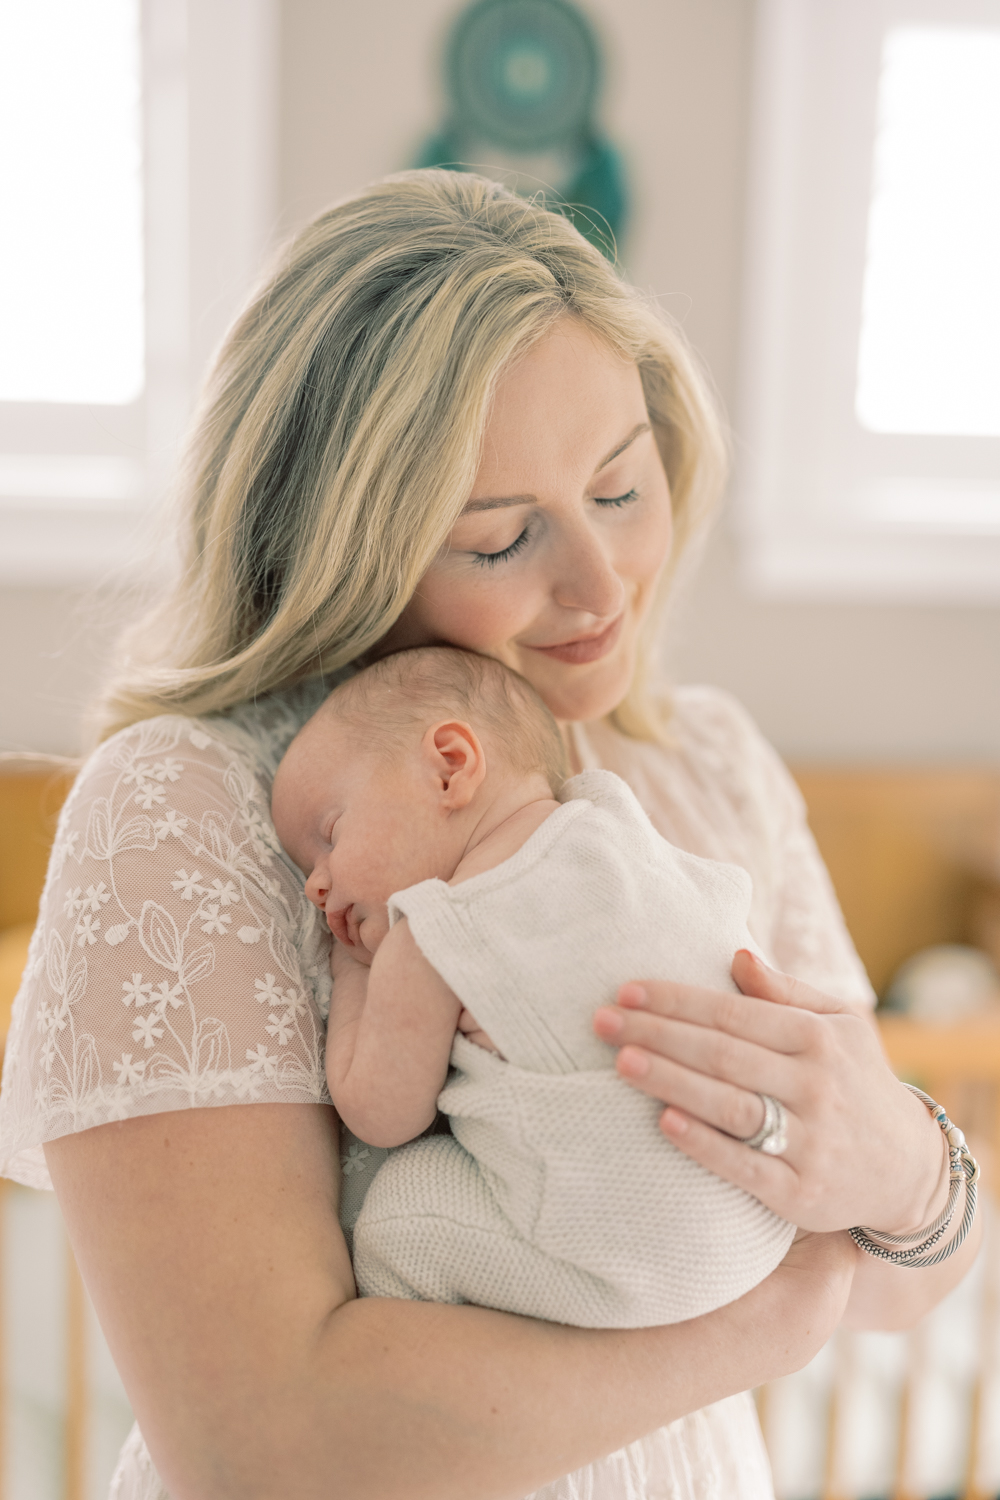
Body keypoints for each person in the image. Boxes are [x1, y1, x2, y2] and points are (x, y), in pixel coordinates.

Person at [0, 170, 978, 1500]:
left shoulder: (703, 770)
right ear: (347, 553)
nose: (597, 586)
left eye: (621, 491)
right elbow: (266, 1443)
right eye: (503, 537)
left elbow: (889, 1278)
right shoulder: (197, 808)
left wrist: (916, 1175)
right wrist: (757, 1322)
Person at [271, 644, 797, 1326]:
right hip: (765, 1214)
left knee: (397, 1215)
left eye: (330, 834)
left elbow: (380, 1114)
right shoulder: (622, 833)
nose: (315, 885)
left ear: (450, 767)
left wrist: (353, 970)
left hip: (632, 1252)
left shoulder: (433, 933)